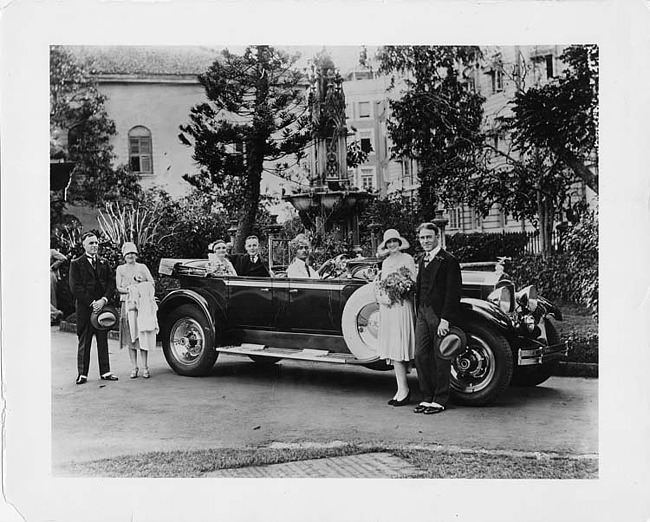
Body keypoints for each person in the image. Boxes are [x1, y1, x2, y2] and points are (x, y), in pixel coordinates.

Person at [412, 222, 462, 415]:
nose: (425, 241)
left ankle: (440, 399)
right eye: (422, 238)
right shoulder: (421, 258)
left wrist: (445, 319)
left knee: (441, 355)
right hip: (422, 313)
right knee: (420, 354)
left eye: (429, 237)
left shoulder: (448, 260)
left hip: (439, 314)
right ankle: (427, 397)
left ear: (437, 238)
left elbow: (453, 292)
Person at [69, 232, 118, 384]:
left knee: (103, 339)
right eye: (91, 243)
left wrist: (103, 300)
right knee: (85, 340)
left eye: (96, 243)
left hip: (102, 308)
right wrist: (92, 302)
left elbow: (111, 283)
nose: (95, 246)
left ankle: (105, 372)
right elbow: (75, 287)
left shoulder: (104, 263)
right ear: (84, 245)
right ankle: (82, 374)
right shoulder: (76, 263)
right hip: (85, 308)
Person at [375, 229, 416, 407]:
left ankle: (405, 390)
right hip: (389, 308)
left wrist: (401, 289)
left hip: (402, 306)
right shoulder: (385, 262)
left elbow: (413, 282)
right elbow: (383, 284)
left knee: (400, 346)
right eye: (388, 242)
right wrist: (384, 297)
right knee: (393, 348)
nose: (392, 245)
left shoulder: (407, 259)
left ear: (399, 243)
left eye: (394, 241)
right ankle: (401, 389)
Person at [115, 242, 158, 379]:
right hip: (128, 304)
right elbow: (118, 287)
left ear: (136, 255)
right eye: (128, 254)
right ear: (124, 255)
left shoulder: (142, 267)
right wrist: (130, 289)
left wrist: (140, 285)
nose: (130, 256)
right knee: (131, 337)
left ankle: (145, 367)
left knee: (143, 335)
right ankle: (134, 367)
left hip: (142, 305)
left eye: (133, 253)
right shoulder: (120, 269)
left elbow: (151, 282)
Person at [50, 247, 67, 323]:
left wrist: (53, 266)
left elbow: (63, 258)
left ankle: (53, 318)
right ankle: (55, 314)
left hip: (50, 275)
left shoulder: (51, 251)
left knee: (52, 296)